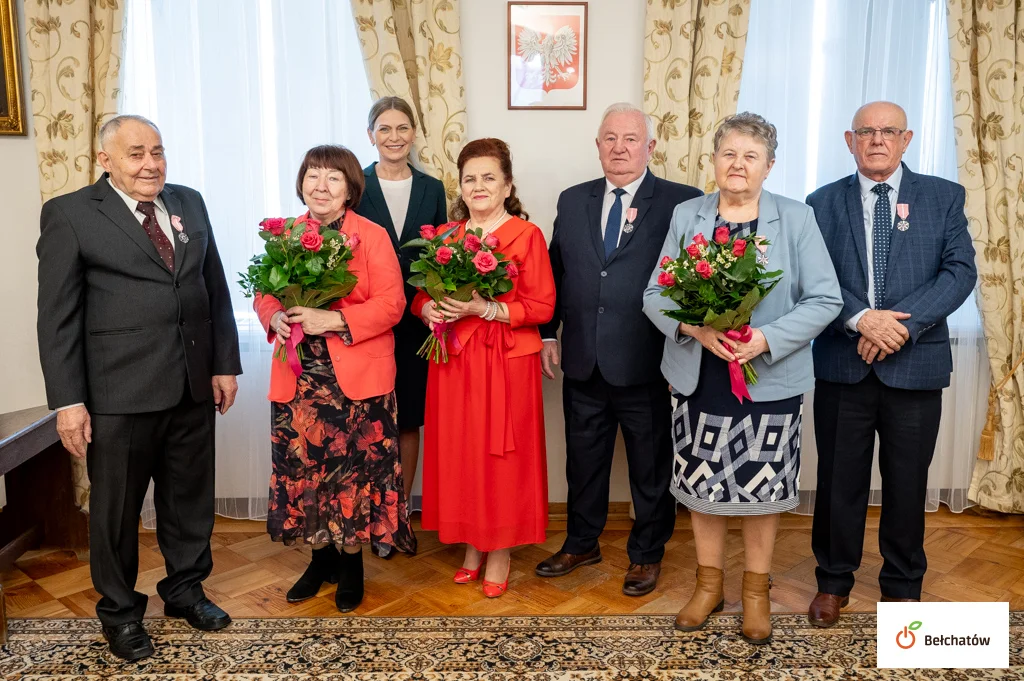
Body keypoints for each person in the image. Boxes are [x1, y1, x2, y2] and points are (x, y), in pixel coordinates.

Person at [35, 114, 241, 661]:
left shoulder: (189, 201)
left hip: (192, 382)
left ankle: (185, 591)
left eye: (157, 151)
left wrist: (225, 363)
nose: (150, 163)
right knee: (116, 511)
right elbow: (55, 317)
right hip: (116, 393)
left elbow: (212, 285)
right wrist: (69, 401)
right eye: (135, 154)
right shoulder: (71, 214)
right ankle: (121, 613)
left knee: (189, 501)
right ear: (105, 160)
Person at [642, 112, 842, 644]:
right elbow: (655, 294)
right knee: (701, 484)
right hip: (699, 374)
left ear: (769, 166)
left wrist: (765, 339)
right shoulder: (689, 214)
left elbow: (826, 298)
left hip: (768, 377)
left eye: (750, 156)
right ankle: (709, 586)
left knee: (762, 487)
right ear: (713, 160)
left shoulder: (796, 219)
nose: (738, 165)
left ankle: (756, 590)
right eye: (728, 153)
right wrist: (694, 328)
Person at [806, 102, 977, 626]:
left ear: (906, 139)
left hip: (916, 362)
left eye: (888, 131)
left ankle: (902, 587)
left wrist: (900, 325)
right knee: (839, 479)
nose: (876, 139)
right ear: (848, 139)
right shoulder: (821, 202)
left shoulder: (943, 197)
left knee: (907, 481)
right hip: (843, 361)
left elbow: (959, 272)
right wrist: (860, 320)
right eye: (866, 131)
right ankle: (833, 582)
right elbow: (814, 280)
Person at [535, 102, 701, 597]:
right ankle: (582, 542)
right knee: (583, 462)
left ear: (650, 147)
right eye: (610, 138)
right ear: (598, 146)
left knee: (651, 467)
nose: (620, 148)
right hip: (583, 358)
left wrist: (684, 347)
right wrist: (548, 332)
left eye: (631, 139)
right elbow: (556, 272)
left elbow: (693, 280)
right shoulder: (573, 199)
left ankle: (647, 555)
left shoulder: (681, 202)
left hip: (649, 362)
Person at [255, 145, 417, 613]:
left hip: (357, 381)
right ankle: (319, 558)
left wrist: (332, 320)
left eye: (332, 178)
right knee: (307, 472)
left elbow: (392, 305)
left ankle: (351, 565)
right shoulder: (286, 235)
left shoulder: (372, 236)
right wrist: (275, 318)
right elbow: (264, 292)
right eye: (312, 176)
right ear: (301, 182)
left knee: (353, 476)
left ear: (350, 189)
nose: (320, 186)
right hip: (299, 378)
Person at [412, 138, 555, 598]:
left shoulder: (526, 235)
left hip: (506, 360)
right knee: (462, 453)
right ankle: (473, 544)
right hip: (454, 361)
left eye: (488, 177)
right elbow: (421, 293)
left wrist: (488, 309)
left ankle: (500, 550)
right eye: (470, 178)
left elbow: (543, 304)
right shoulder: (448, 238)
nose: (478, 186)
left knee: (502, 458)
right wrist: (426, 311)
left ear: (508, 184)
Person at [355, 96, 448, 504]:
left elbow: (441, 255)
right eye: (385, 129)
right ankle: (365, 510)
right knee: (366, 421)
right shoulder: (354, 185)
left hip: (416, 323)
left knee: (408, 419)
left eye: (402, 128)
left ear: (413, 134)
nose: (394, 137)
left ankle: (398, 514)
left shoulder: (433, 189)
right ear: (371, 135)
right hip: (365, 321)